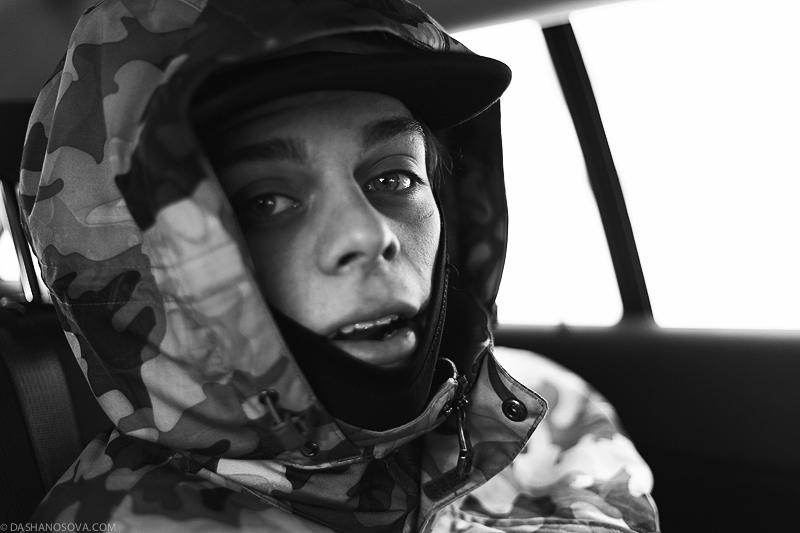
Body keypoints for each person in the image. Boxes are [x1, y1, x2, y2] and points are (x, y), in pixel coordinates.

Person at [20, 0, 659, 531]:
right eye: (264, 202)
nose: (369, 235)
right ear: (150, 260)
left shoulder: (553, 406)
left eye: (394, 178)